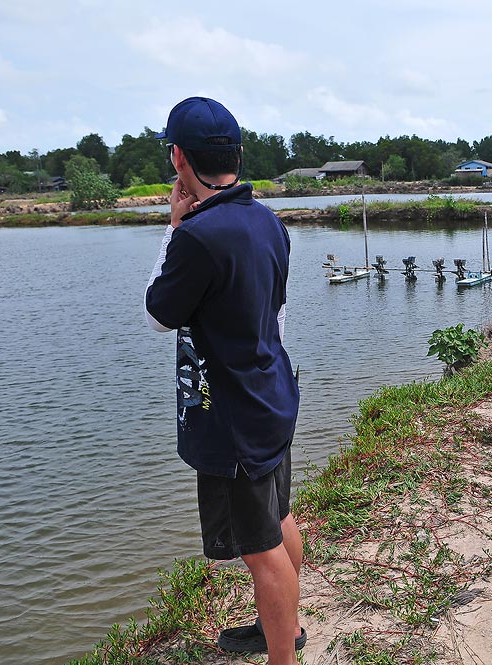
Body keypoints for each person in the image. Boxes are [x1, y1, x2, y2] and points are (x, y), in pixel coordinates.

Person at [144, 97, 305, 662]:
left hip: (235, 417)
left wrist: (174, 227)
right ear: (236, 154)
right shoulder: (268, 221)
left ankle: (282, 654)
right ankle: (283, 628)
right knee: (279, 516)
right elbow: (276, 315)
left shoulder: (198, 236)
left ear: (178, 158)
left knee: (260, 551)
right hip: (272, 399)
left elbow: (159, 314)